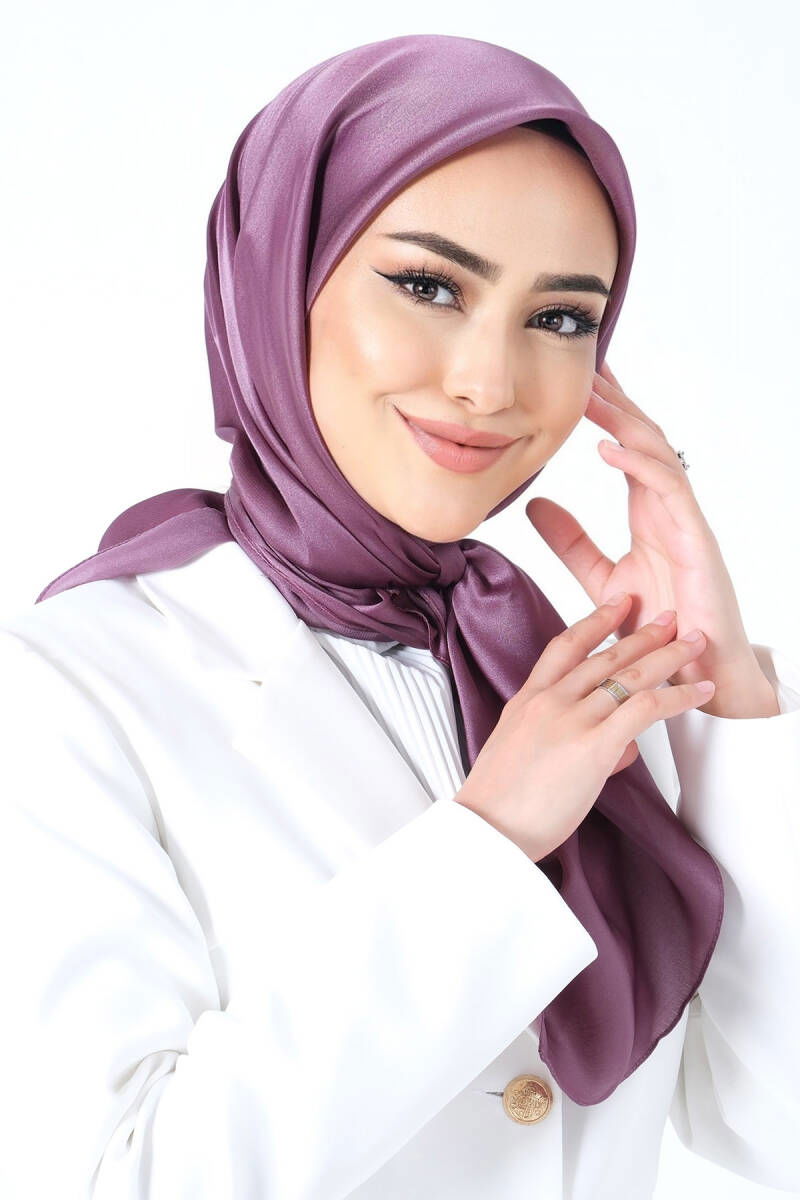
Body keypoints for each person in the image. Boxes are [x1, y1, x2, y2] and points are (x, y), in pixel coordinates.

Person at [1, 31, 799, 1200]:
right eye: (429, 286)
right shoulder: (68, 688)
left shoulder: (567, 675)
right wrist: (488, 842)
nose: (488, 383)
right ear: (280, 276)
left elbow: (773, 1128)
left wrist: (727, 701)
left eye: (559, 318)